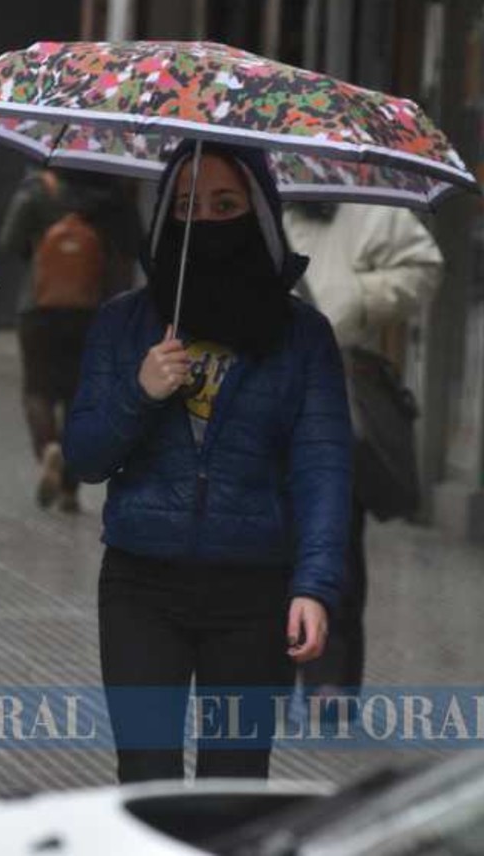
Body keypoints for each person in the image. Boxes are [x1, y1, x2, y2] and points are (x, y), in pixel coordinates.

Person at [64, 141, 350, 783]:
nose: (208, 221)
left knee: (235, 781)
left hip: (254, 590)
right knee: (145, 776)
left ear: (262, 215)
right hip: (142, 587)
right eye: (188, 205)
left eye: (227, 204)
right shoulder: (124, 324)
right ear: (166, 216)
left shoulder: (303, 337)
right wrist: (139, 392)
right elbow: (84, 456)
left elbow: (323, 469)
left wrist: (315, 586)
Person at [284, 202, 442, 694]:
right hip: (266, 398)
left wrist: (360, 295)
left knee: (337, 542)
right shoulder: (262, 206)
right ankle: (267, 674)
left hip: (338, 399)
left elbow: (426, 266)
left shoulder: (375, 214)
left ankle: (330, 681)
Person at [0, 168, 141, 512]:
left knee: (38, 389)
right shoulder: (116, 194)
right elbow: (135, 246)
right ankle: (69, 490)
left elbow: (9, 241)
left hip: (39, 304)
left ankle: (49, 447)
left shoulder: (38, 190)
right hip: (96, 308)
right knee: (80, 394)